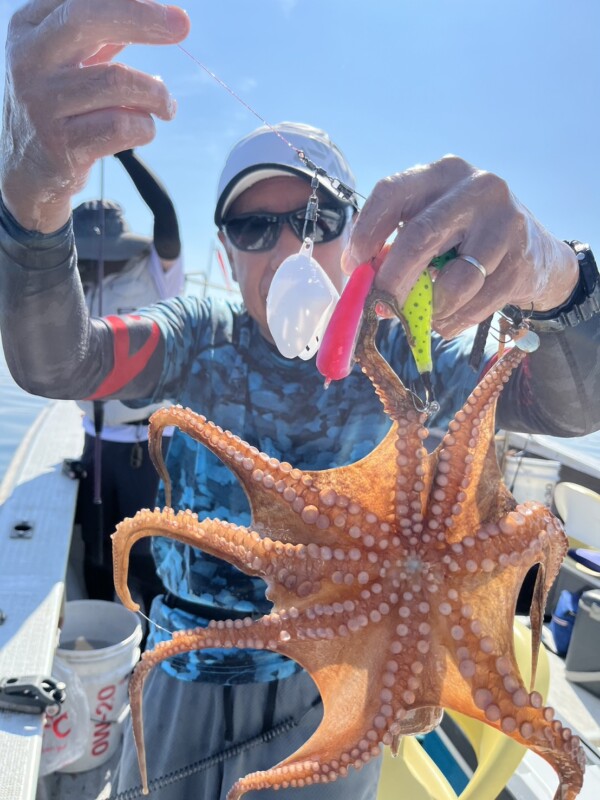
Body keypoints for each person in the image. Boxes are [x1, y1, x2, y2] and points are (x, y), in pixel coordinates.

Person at [1, 3, 599, 799]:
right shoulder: (197, 334)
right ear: (223, 249)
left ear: (358, 234)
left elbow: (566, 408)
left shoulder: (404, 351)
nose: (287, 248)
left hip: (350, 684)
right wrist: (31, 201)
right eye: (253, 228)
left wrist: (559, 278)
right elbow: (61, 361)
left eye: (315, 219)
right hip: (188, 663)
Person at [72, 149, 184, 612]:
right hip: (95, 444)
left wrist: (126, 156)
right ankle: (103, 635)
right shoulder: (75, 286)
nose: (100, 263)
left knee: (149, 560)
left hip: (151, 449)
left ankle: (155, 652)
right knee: (97, 554)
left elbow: (165, 214)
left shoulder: (157, 273)